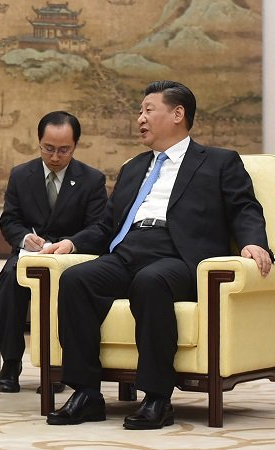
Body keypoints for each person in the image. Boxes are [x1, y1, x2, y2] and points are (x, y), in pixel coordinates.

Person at [43, 81, 273, 429]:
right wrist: (72, 244)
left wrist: (254, 242)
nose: (140, 119)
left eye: (149, 110)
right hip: (130, 249)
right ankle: (87, 393)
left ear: (177, 114)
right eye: (140, 111)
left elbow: (244, 208)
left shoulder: (220, 162)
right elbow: (107, 225)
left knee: (151, 281)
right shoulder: (134, 167)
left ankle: (156, 398)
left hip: (180, 255)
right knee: (76, 279)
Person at [0, 111, 107, 393]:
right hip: (29, 254)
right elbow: (9, 220)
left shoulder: (92, 179)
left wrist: (72, 243)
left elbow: (99, 227)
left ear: (75, 146)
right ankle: (10, 363)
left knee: (68, 288)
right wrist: (23, 238)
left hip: (70, 257)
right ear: (39, 142)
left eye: (63, 150)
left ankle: (56, 366)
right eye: (48, 148)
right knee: (8, 282)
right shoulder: (21, 175)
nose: (55, 156)